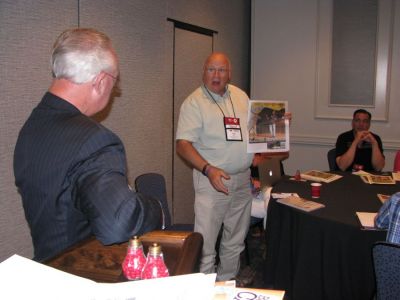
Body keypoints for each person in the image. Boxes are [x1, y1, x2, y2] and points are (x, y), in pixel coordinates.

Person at [14, 28, 162, 262]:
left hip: (46, 266)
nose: (114, 90)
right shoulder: (95, 140)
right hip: (83, 273)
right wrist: (155, 207)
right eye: (115, 82)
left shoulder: (31, 127)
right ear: (101, 81)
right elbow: (119, 224)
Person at [175, 52, 253, 281]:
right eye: (211, 69)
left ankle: (225, 287)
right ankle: (204, 293)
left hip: (241, 181)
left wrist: (276, 126)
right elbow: (182, 145)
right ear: (204, 72)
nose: (216, 75)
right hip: (211, 181)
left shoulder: (240, 96)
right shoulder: (194, 103)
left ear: (229, 73)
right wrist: (208, 169)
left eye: (221, 70)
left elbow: (252, 132)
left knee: (234, 243)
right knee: (205, 247)